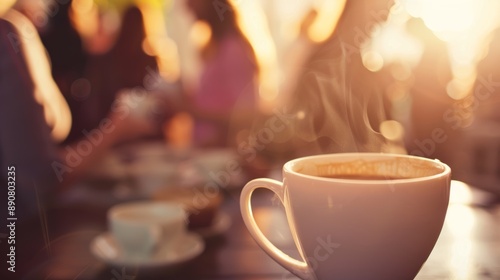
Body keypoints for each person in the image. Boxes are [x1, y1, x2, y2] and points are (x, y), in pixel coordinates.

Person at [0, 2, 155, 276]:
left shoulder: (18, 29)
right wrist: (114, 130)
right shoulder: (7, 35)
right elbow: (42, 177)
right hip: (16, 242)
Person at [181, 0, 259, 148]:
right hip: (209, 153)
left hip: (221, 156)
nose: (186, 5)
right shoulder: (217, 47)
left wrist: (190, 111)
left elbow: (246, 115)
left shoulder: (233, 50)